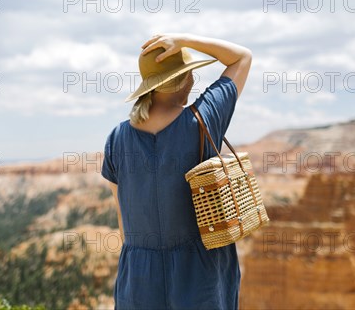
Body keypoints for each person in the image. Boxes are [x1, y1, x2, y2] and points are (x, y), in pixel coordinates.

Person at [101, 33, 252, 309]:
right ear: (183, 78)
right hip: (200, 278)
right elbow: (242, 57)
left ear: (151, 86)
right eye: (190, 73)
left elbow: (124, 223)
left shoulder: (117, 138)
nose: (193, 80)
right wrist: (184, 40)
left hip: (138, 281)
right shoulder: (203, 119)